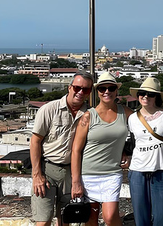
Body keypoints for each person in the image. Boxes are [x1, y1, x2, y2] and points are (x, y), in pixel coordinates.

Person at [30, 71, 93, 226]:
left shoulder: (90, 114)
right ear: (69, 87)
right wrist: (37, 175)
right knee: (43, 220)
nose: (80, 92)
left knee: (66, 219)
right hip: (48, 169)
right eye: (77, 87)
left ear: (89, 92)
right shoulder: (49, 109)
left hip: (72, 173)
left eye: (85, 89)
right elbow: (35, 141)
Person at [71, 72, 132, 226]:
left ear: (116, 90)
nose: (107, 92)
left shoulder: (124, 112)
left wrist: (128, 152)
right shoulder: (88, 117)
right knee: (91, 219)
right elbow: (76, 150)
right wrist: (76, 181)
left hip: (112, 173)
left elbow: (142, 133)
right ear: (97, 92)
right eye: (102, 88)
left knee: (110, 217)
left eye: (111, 88)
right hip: (88, 174)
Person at [127, 77, 163, 226]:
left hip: (161, 172)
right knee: (140, 219)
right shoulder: (132, 118)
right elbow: (132, 143)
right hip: (137, 171)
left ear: (156, 97)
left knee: (161, 218)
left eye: (150, 94)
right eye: (142, 93)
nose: (145, 97)